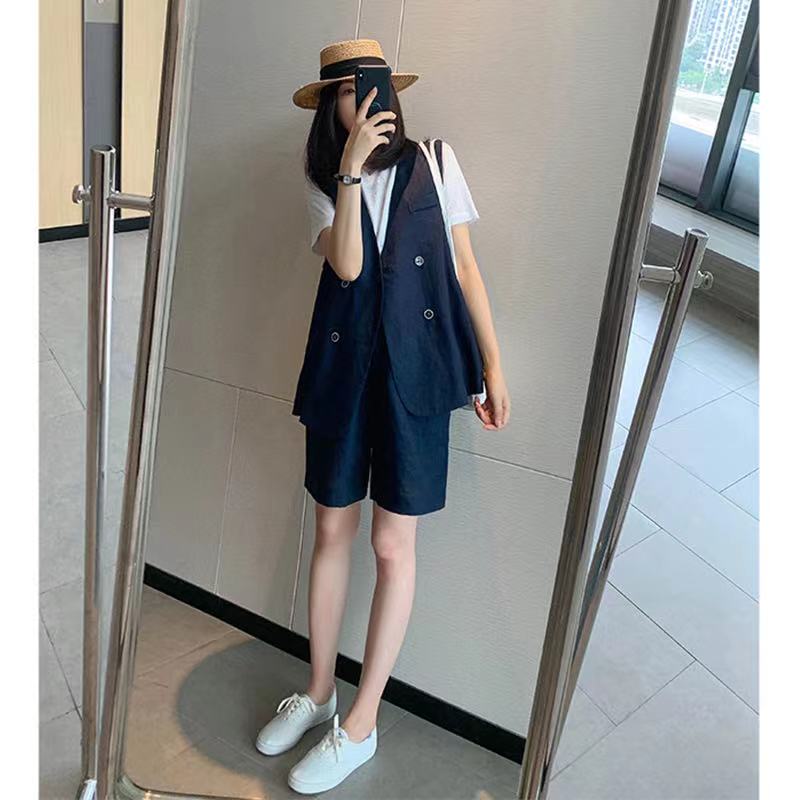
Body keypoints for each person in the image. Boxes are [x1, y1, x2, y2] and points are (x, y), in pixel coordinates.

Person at [255, 38, 510, 795]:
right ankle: (319, 692)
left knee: (394, 545)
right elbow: (348, 266)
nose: (365, 102)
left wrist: (492, 367)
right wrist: (349, 171)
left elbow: (465, 266)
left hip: (419, 375)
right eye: (348, 91)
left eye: (374, 87)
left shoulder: (437, 160)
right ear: (329, 105)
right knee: (331, 529)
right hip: (344, 371)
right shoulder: (320, 176)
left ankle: (361, 724)